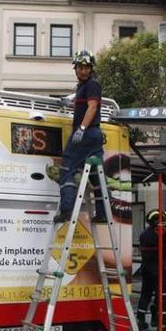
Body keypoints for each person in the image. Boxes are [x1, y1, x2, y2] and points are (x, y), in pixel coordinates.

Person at [54, 49, 107, 224]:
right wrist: (71, 104)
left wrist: (81, 128)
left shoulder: (92, 85)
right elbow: (85, 106)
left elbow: (92, 108)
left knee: (67, 170)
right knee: (95, 174)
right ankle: (103, 213)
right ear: (75, 68)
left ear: (91, 69)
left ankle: (67, 210)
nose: (83, 71)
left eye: (86, 67)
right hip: (95, 135)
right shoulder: (83, 88)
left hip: (86, 133)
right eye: (80, 67)